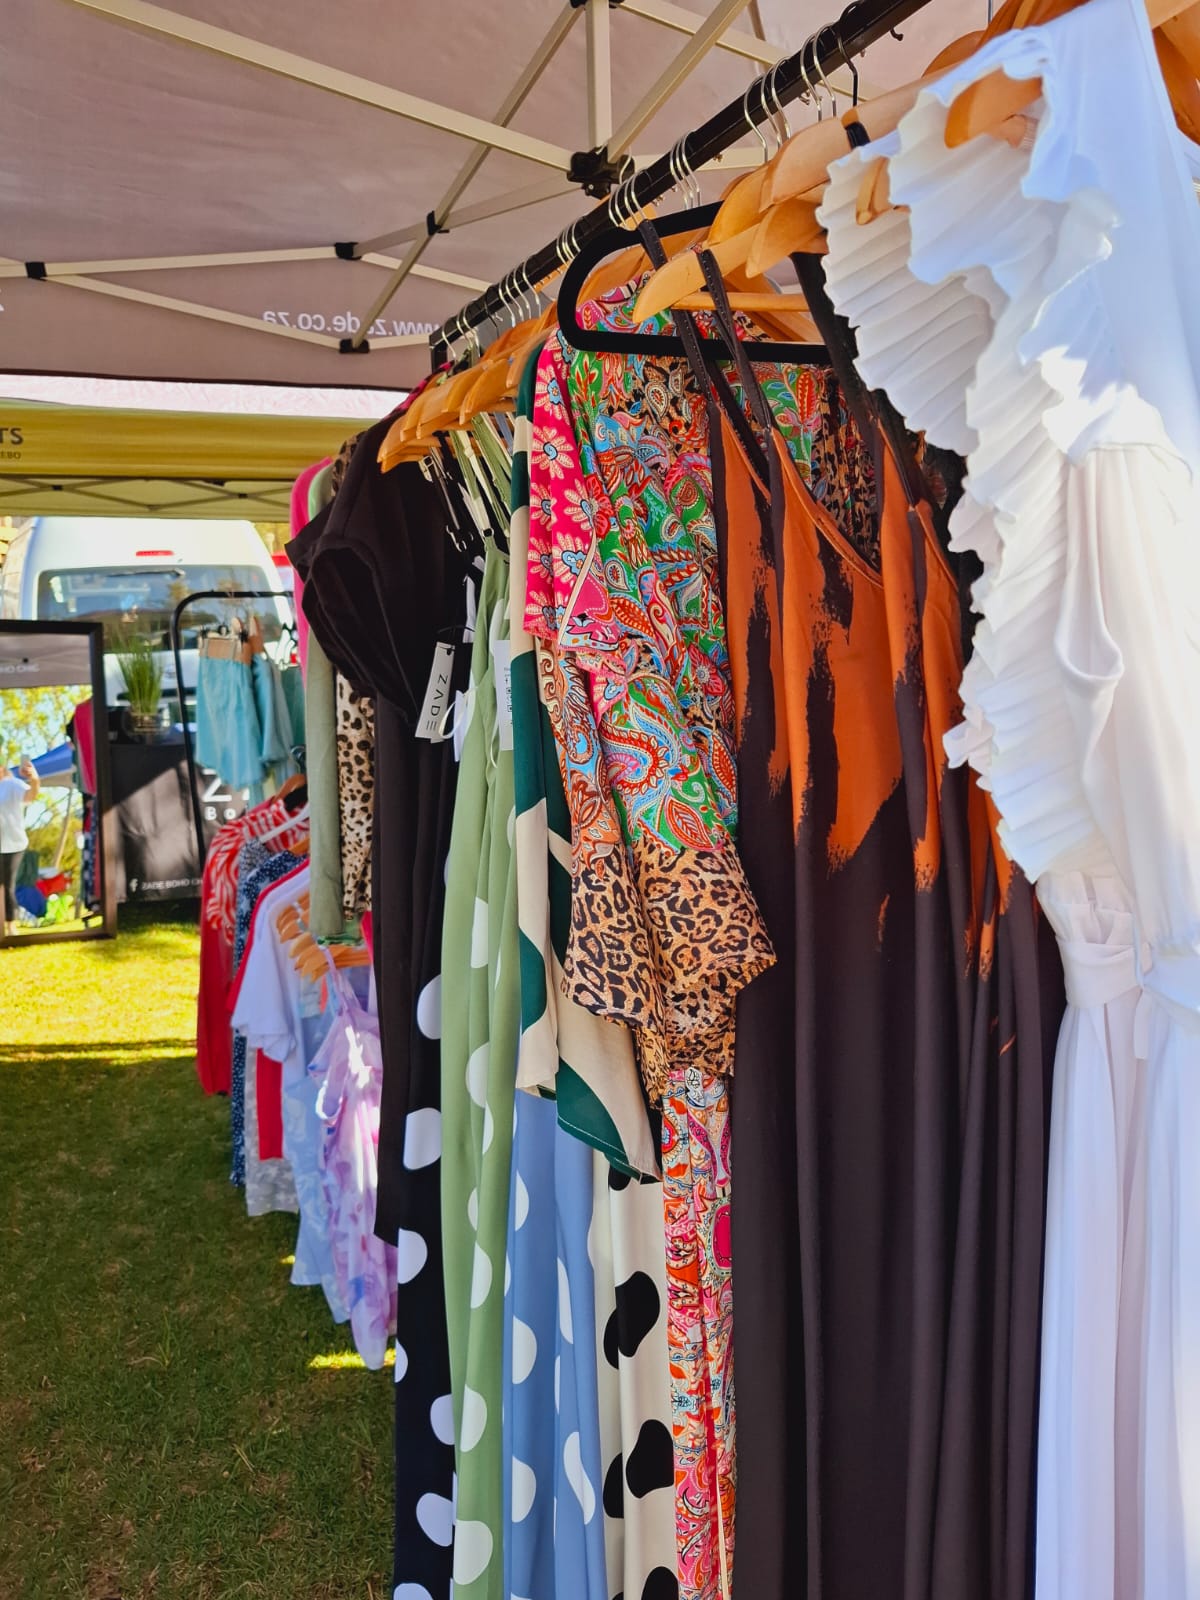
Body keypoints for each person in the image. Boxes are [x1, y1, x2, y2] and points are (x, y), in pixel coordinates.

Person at [0, 757, 40, 935]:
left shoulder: (12, 784)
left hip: (13, 844)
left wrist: (35, 779)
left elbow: (31, 795)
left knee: (7, 883)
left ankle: (11, 926)